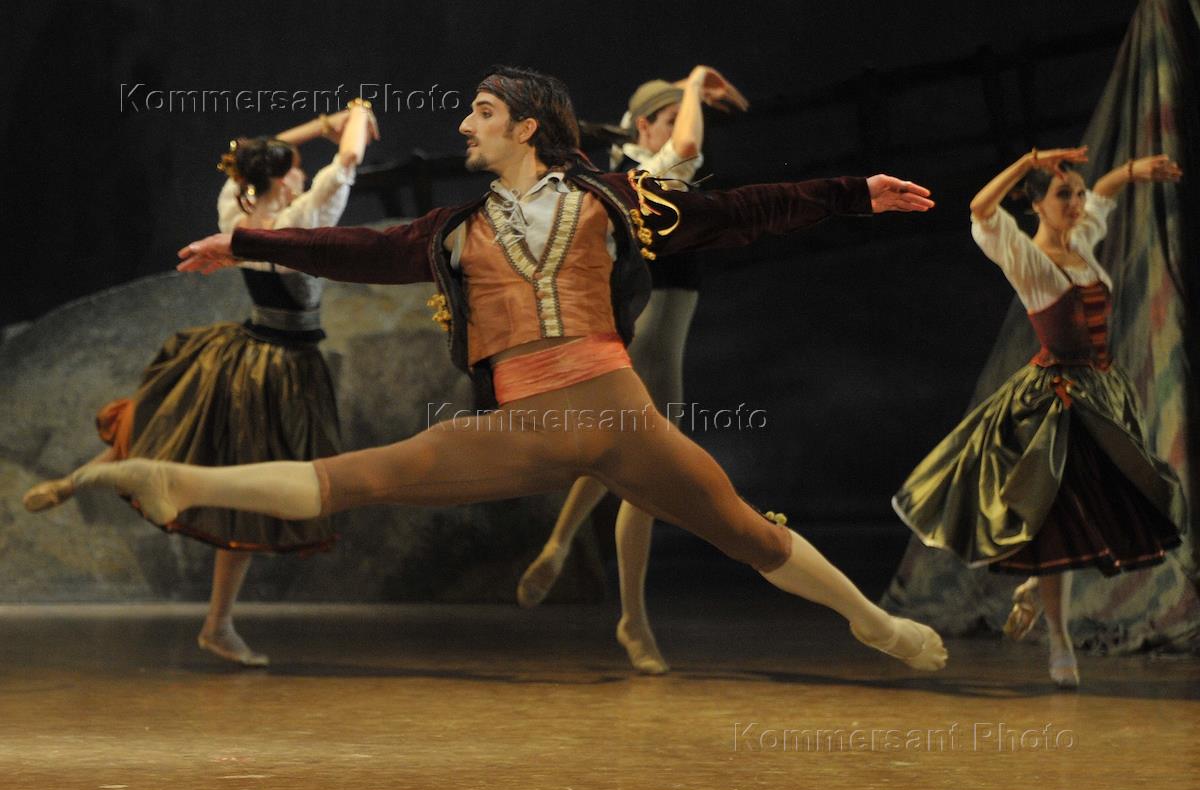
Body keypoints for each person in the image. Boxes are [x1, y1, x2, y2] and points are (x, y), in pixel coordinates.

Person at [57, 66, 946, 673]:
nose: (463, 125)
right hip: (532, 427)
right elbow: (358, 247)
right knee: (362, 476)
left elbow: (735, 212)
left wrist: (853, 193)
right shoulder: (456, 230)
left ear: (525, 125)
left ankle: (876, 625)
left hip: (620, 418)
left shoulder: (613, 199)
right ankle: (180, 480)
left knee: (748, 533)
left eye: (480, 112)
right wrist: (249, 241)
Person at [22, 101, 378, 666]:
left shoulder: (235, 210)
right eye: (295, 169)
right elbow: (350, 159)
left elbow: (250, 157)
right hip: (283, 370)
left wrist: (317, 126)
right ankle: (218, 624)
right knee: (244, 491)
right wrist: (357, 111)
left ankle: (85, 475)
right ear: (284, 181)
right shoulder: (301, 221)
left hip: (241, 351)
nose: (303, 173)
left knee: (172, 433)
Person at [892, 146, 1185, 687]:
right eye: (1063, 195)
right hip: (1056, 403)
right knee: (1057, 522)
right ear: (1036, 206)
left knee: (1106, 511)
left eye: (1077, 194)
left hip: (1103, 396)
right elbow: (981, 208)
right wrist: (1031, 161)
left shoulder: (1081, 244)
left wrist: (1131, 171)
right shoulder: (1027, 259)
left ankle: (1035, 590)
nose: (1076, 203)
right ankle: (1060, 639)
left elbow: (1102, 198)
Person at [516, 65, 748, 675]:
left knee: (624, 461)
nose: (681, 128)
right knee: (644, 473)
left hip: (649, 337)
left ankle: (567, 550)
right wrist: (693, 84)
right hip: (650, 342)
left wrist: (692, 95)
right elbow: (689, 144)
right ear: (644, 126)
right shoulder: (647, 176)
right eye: (666, 119)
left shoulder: (625, 171)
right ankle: (631, 618)